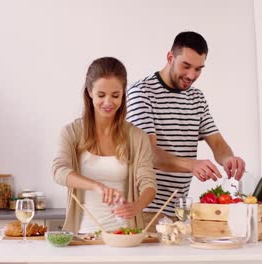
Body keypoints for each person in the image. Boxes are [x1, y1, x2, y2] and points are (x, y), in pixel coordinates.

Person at [126, 31, 246, 227]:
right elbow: (148, 153)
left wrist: (228, 160)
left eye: (199, 69)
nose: (192, 75)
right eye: (186, 66)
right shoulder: (141, 92)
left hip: (178, 210)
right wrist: (192, 165)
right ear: (170, 57)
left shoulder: (196, 98)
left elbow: (217, 143)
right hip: (145, 209)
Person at [52, 57, 157, 234]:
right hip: (83, 235)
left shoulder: (137, 137)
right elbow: (59, 171)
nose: (108, 102)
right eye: (101, 95)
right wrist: (97, 186)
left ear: (123, 94)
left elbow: (148, 183)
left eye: (115, 95)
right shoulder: (72, 132)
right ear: (89, 92)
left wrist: (137, 206)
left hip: (125, 235)